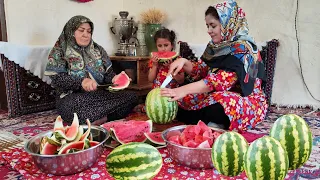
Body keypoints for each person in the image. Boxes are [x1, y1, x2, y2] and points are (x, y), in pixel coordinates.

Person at [161, 0, 268, 131]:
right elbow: (201, 70)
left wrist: (182, 91)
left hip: (245, 100)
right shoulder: (214, 46)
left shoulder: (243, 49)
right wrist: (183, 61)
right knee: (187, 98)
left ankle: (204, 118)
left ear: (227, 24)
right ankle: (205, 119)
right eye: (207, 26)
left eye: (213, 26)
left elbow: (218, 82)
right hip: (216, 93)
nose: (209, 31)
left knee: (222, 103)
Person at [44, 15, 139, 125]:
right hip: (72, 98)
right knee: (76, 104)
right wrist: (81, 82)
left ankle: (99, 118)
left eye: (89, 31)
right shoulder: (60, 50)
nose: (86, 34)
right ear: (71, 31)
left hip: (98, 96)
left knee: (132, 96)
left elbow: (107, 73)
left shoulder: (98, 50)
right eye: (81, 30)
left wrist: (114, 78)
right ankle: (104, 116)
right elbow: (57, 79)